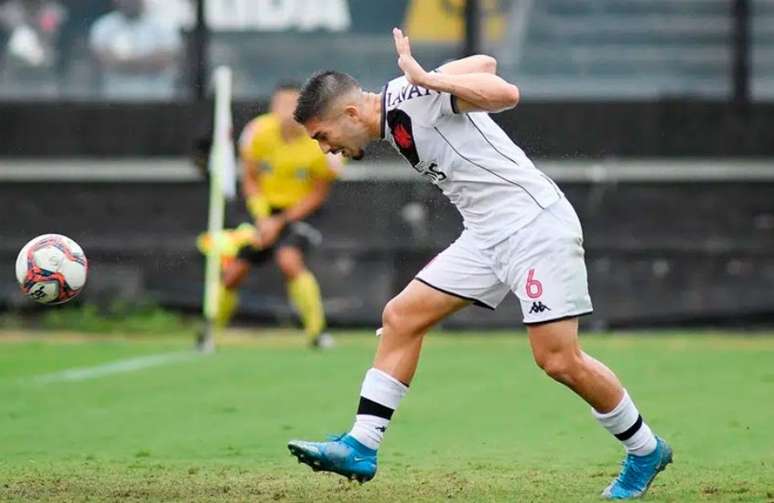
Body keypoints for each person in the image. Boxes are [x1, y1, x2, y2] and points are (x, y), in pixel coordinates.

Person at [286, 28, 672, 499]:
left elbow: (506, 93)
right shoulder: (404, 99)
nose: (326, 149)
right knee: (401, 317)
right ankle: (361, 445)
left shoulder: (415, 94)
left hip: (534, 227)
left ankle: (645, 449)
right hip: (486, 237)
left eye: (323, 136)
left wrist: (433, 80)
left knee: (557, 359)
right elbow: (486, 62)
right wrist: (436, 77)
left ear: (349, 113)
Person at [199, 82, 340, 349]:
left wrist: (280, 222)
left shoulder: (320, 139)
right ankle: (209, 333)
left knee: (289, 261)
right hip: (264, 212)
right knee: (234, 271)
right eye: (279, 105)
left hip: (301, 214)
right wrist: (262, 217)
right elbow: (250, 178)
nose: (284, 111)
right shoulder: (258, 132)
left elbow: (318, 194)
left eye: (291, 105)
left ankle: (317, 333)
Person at [89, 0, 181, 99]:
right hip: (115, 101)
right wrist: (147, 61)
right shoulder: (104, 25)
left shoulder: (164, 24)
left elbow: (164, 60)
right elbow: (103, 60)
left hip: (157, 100)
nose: (129, 2)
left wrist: (122, 63)